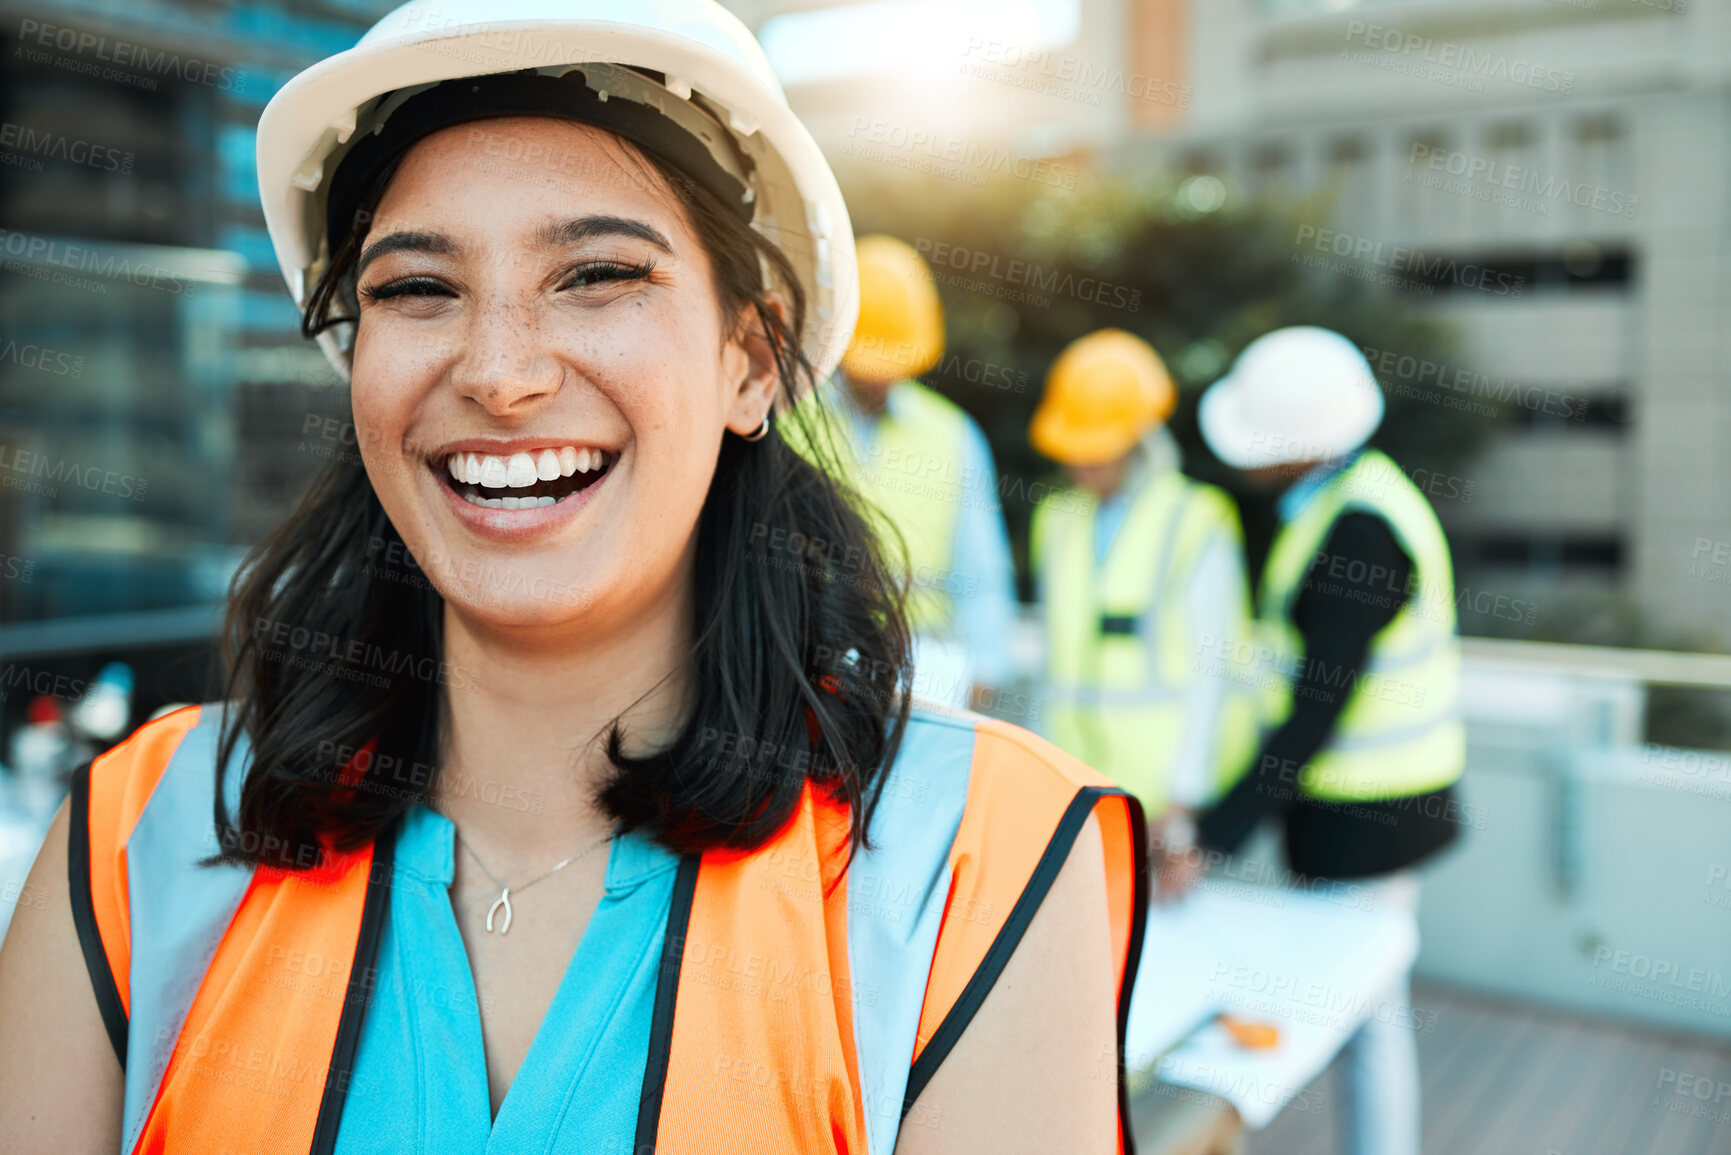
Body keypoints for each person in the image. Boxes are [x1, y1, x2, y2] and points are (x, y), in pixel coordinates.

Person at [0, 4, 1148, 1153]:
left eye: (596, 273)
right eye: (416, 289)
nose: (500, 373)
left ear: (751, 361)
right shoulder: (136, 840)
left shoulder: (970, 864)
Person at [1171, 325, 1466, 1155]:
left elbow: (1311, 713)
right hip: (1365, 813)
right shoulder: (1349, 501)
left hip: (1369, 819)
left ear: (1293, 447)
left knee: (1359, 1011)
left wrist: (1213, 835)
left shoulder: (1357, 534)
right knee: (1362, 1007)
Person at [1028, 329, 1257, 871]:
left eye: (1097, 448)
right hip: (1074, 788)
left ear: (1136, 437)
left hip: (1164, 798)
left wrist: (1183, 801)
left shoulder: (1197, 518)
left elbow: (1213, 666)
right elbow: (1052, 664)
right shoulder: (1056, 519)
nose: (1082, 463)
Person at [786, 235, 1018, 713]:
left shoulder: (953, 434)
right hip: (804, 650)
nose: (877, 376)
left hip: (926, 661)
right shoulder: (791, 417)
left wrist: (986, 666)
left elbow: (980, 565)